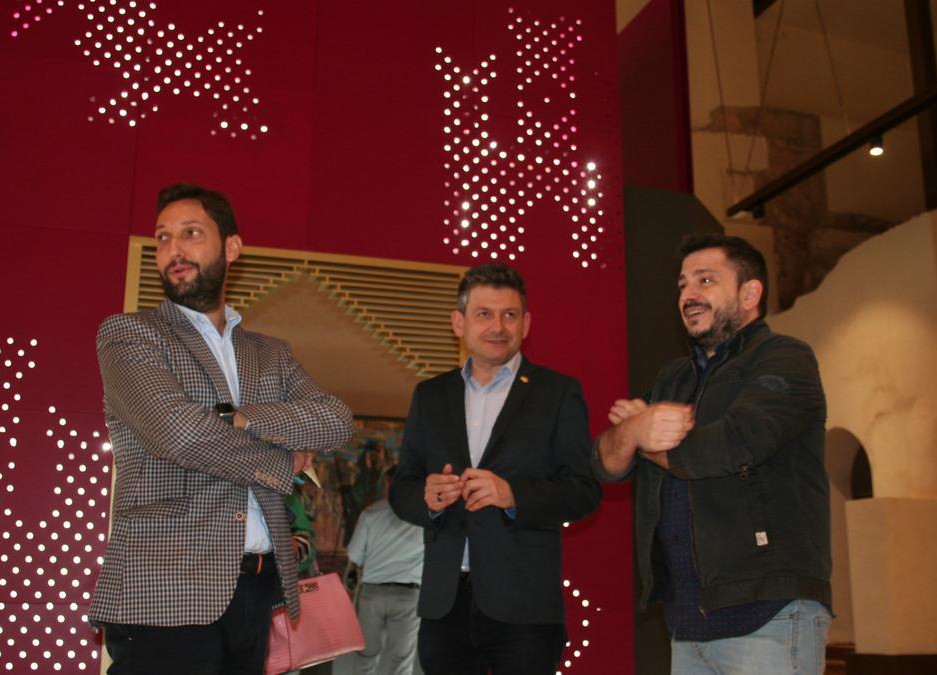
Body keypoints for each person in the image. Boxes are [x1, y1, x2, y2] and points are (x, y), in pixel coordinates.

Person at [88, 183, 354, 674]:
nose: (174, 250)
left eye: (191, 234)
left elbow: (335, 420)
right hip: (166, 586)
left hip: (258, 590)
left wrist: (244, 417)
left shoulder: (271, 354)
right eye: (163, 238)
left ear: (232, 247)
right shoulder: (130, 335)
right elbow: (179, 433)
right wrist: (282, 457)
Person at [594, 234, 831, 675]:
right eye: (682, 285)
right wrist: (631, 431)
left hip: (769, 614)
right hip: (687, 623)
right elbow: (605, 465)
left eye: (705, 280)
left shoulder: (785, 359)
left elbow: (731, 445)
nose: (688, 295)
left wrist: (642, 436)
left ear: (749, 293)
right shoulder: (673, 379)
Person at [388, 263, 601, 675]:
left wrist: (514, 495)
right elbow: (402, 489)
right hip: (443, 604)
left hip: (526, 608)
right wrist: (426, 499)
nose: (498, 326)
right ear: (458, 322)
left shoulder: (558, 393)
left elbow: (583, 490)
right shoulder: (430, 395)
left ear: (526, 323)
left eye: (510, 314)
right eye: (484, 314)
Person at [347, 465, 424, 675]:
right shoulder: (424, 516)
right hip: (409, 595)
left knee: (366, 657)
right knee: (402, 661)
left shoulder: (370, 513)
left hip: (373, 593)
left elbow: (354, 555)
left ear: (388, 484)